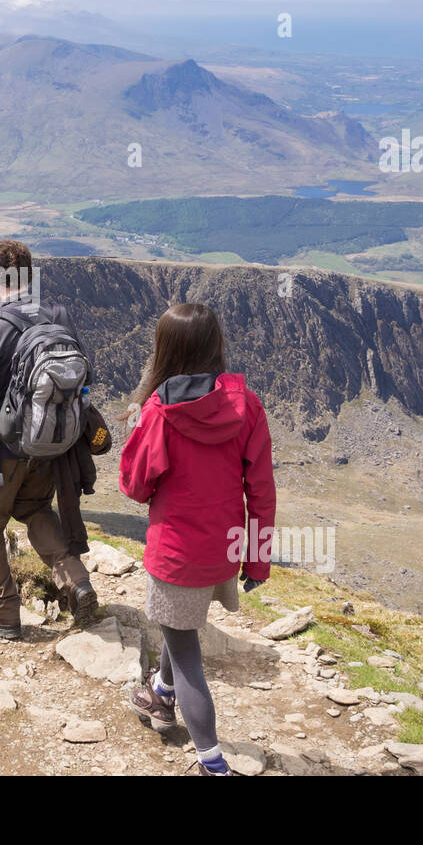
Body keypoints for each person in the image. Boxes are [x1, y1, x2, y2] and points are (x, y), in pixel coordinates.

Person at [118, 303, 276, 776]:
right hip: (224, 551)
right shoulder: (247, 406)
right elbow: (262, 490)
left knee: (188, 657)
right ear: (215, 345)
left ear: (165, 350)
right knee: (179, 627)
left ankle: (211, 762)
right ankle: (160, 695)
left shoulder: (159, 413)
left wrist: (138, 434)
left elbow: (134, 487)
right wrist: (258, 558)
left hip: (177, 556)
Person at [0, 239, 97, 640]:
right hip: (51, 448)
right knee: (36, 510)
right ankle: (77, 581)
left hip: (2, 452)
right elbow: (84, 378)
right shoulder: (59, 315)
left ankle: (0, 609)